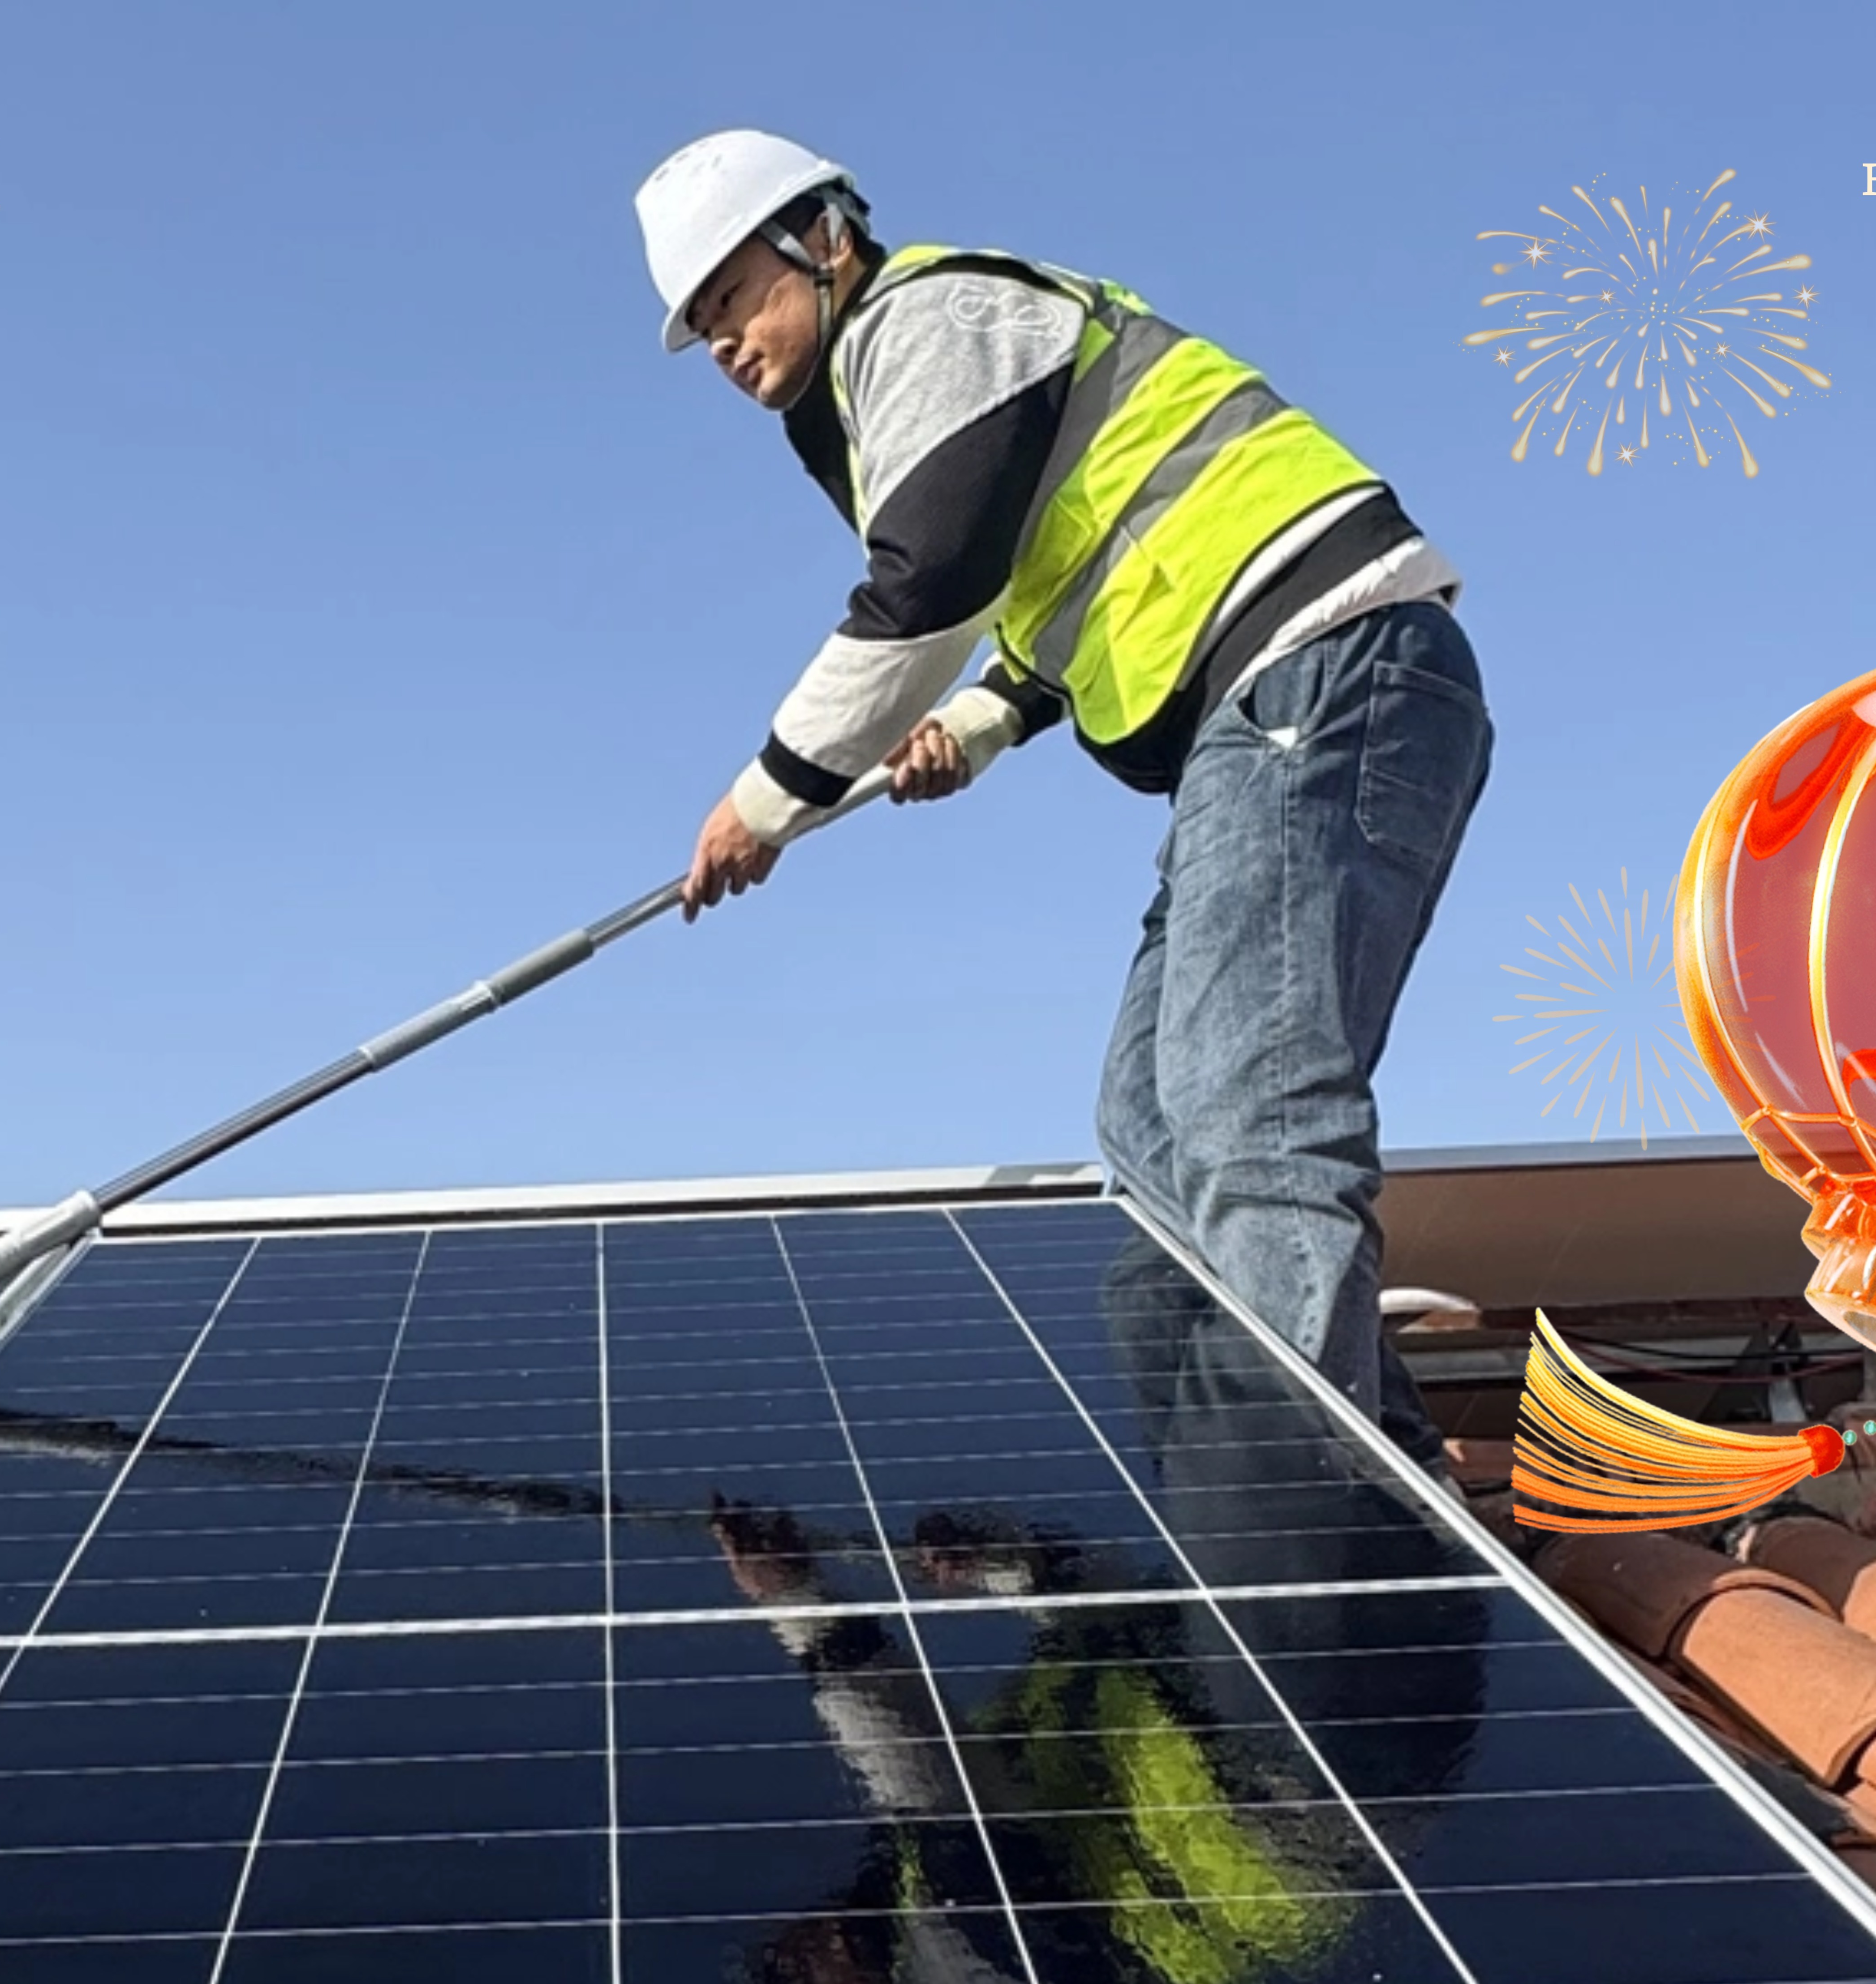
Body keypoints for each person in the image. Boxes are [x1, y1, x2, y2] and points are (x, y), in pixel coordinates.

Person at [630, 129, 1492, 1464]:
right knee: (1147, 1128)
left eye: (732, 296)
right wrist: (968, 728)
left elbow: (929, 584)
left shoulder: (933, 317)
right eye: (701, 325)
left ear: (822, 240)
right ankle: (1358, 1459)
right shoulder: (893, 389)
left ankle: (1314, 1519)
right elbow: (1048, 603)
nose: (725, 342)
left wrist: (765, 803)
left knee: (1245, 1108)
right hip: (1259, 711)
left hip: (1322, 672)